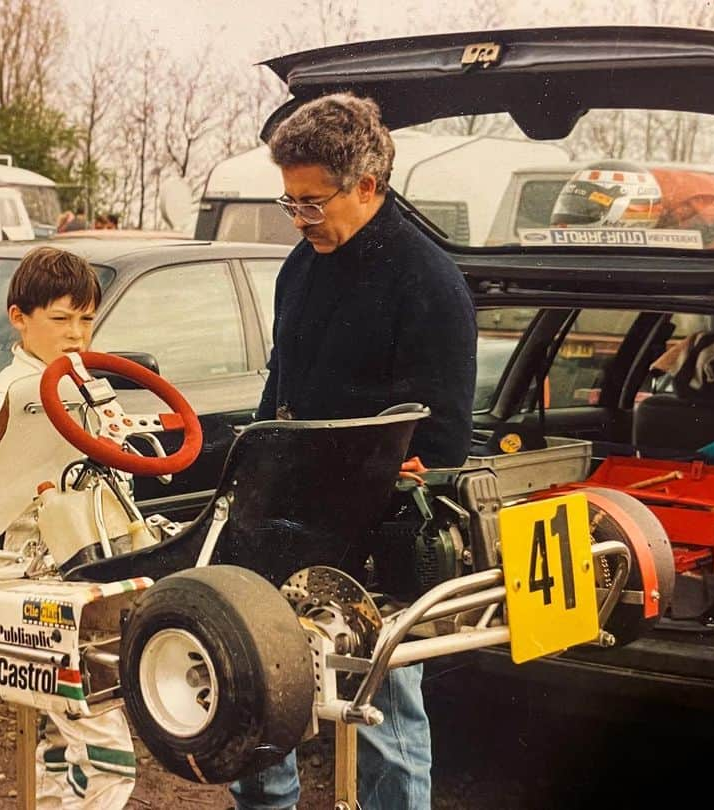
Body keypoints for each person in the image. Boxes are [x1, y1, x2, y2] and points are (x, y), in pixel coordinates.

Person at [230, 93, 476, 810]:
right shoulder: (299, 269)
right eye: (290, 203)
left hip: (375, 528)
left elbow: (438, 436)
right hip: (283, 514)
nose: (301, 219)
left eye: (313, 203)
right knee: (255, 685)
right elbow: (280, 390)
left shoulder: (427, 281)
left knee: (387, 720)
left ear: (367, 185)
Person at [0, 246, 137, 809]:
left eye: (86, 319)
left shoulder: (89, 382)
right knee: (108, 756)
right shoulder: (9, 395)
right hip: (45, 573)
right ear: (20, 317)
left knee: (65, 742)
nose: (76, 333)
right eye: (60, 319)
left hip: (101, 560)